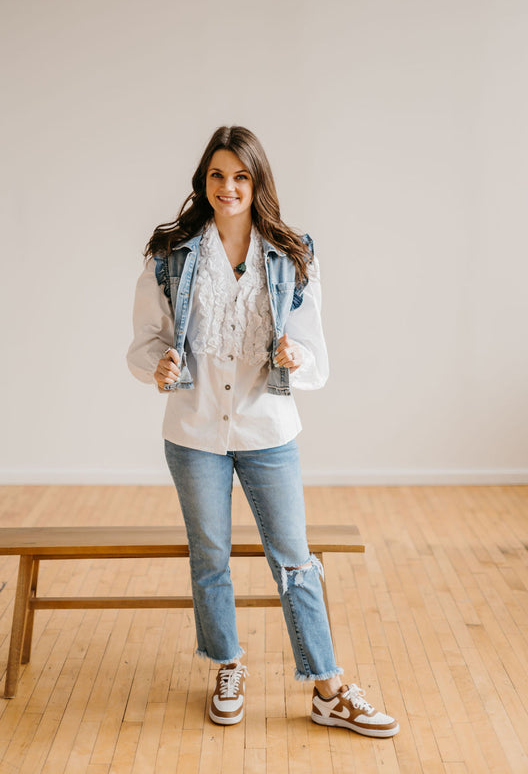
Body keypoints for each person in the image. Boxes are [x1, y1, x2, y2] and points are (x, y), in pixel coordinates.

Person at [126, 125, 399, 737]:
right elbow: (145, 343)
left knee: (295, 560)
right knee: (210, 559)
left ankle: (328, 689)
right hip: (193, 432)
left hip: (268, 430)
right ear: (204, 181)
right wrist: (158, 366)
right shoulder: (170, 253)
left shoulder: (292, 253)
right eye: (217, 175)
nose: (227, 187)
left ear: (257, 183)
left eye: (240, 176)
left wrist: (294, 357)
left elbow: (313, 351)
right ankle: (227, 667)